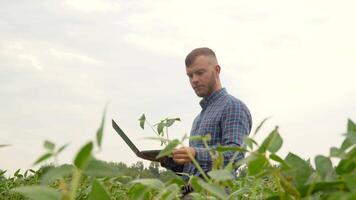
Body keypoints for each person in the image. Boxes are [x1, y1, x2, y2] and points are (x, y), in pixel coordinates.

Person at [161, 47, 252, 194]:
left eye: (200, 73)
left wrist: (195, 154)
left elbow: (236, 157)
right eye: (190, 76)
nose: (194, 80)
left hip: (215, 193)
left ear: (217, 70)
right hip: (190, 192)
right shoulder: (199, 118)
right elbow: (195, 170)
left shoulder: (233, 106)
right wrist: (171, 161)